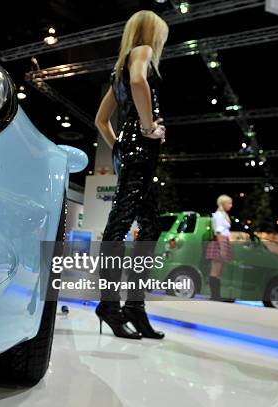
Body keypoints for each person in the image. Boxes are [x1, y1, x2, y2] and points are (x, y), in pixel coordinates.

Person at [94, 10, 168, 340]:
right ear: (152, 32)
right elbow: (140, 81)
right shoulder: (142, 53)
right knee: (121, 224)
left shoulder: (117, 71)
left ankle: (134, 307)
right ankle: (110, 304)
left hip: (132, 150)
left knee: (150, 225)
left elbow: (101, 121)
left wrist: (119, 148)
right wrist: (149, 127)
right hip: (141, 147)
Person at [206, 195, 233, 301]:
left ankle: (217, 295)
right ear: (223, 203)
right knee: (215, 270)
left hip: (223, 242)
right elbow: (219, 232)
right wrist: (222, 248)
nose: (231, 205)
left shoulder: (223, 214)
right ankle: (215, 296)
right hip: (219, 242)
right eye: (229, 203)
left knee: (219, 271)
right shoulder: (218, 215)